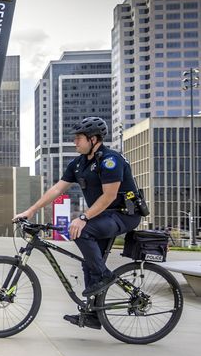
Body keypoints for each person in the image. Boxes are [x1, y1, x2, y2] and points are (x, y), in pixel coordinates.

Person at [13, 116, 143, 330]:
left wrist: (83, 218)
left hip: (123, 214)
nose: (75, 142)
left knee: (82, 232)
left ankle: (104, 276)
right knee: (89, 261)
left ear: (94, 139)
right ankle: (93, 314)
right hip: (102, 216)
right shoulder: (78, 163)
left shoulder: (111, 160)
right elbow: (57, 189)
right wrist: (31, 211)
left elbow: (109, 196)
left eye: (79, 138)